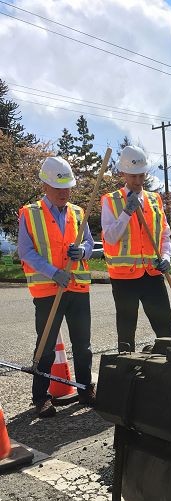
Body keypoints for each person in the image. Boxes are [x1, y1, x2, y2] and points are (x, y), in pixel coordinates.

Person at [18, 156, 95, 418]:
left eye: (68, 188)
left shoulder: (77, 212)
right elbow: (25, 251)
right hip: (48, 291)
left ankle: (85, 388)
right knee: (46, 346)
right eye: (58, 188)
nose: (64, 193)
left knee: (83, 344)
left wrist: (82, 252)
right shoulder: (30, 213)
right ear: (45, 186)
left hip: (77, 289)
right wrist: (53, 273)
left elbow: (89, 243)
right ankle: (41, 397)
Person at [101, 145, 171, 352]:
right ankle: (127, 375)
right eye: (133, 176)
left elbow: (164, 234)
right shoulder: (111, 201)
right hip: (124, 278)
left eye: (141, 175)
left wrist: (166, 256)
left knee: (166, 328)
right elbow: (110, 237)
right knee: (126, 332)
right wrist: (126, 212)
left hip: (152, 273)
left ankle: (167, 372)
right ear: (123, 173)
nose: (137, 181)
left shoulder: (154, 200)